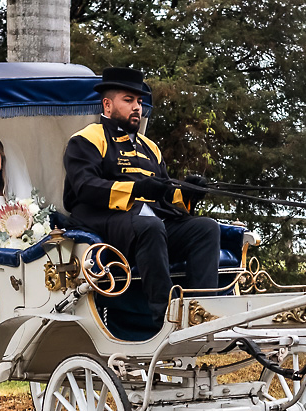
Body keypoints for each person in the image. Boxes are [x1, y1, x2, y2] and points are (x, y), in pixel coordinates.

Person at [63, 67, 220, 321]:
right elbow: (85, 186)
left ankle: (202, 311)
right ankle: (167, 315)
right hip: (105, 221)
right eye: (128, 100)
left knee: (206, 228)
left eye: (138, 101)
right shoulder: (86, 139)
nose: (137, 107)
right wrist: (135, 189)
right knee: (150, 226)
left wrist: (189, 193)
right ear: (107, 104)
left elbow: (164, 195)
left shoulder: (150, 147)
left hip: (148, 223)